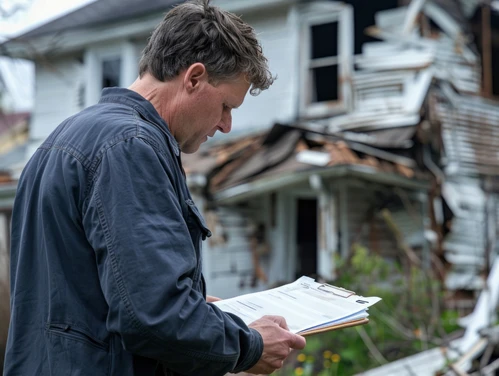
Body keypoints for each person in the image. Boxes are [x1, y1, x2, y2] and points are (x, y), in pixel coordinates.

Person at [3, 0, 306, 375]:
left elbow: (90, 298)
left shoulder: (63, 139)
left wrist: (196, 307)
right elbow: (154, 316)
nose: (227, 125)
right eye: (226, 105)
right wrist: (249, 346)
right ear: (194, 78)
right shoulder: (131, 147)